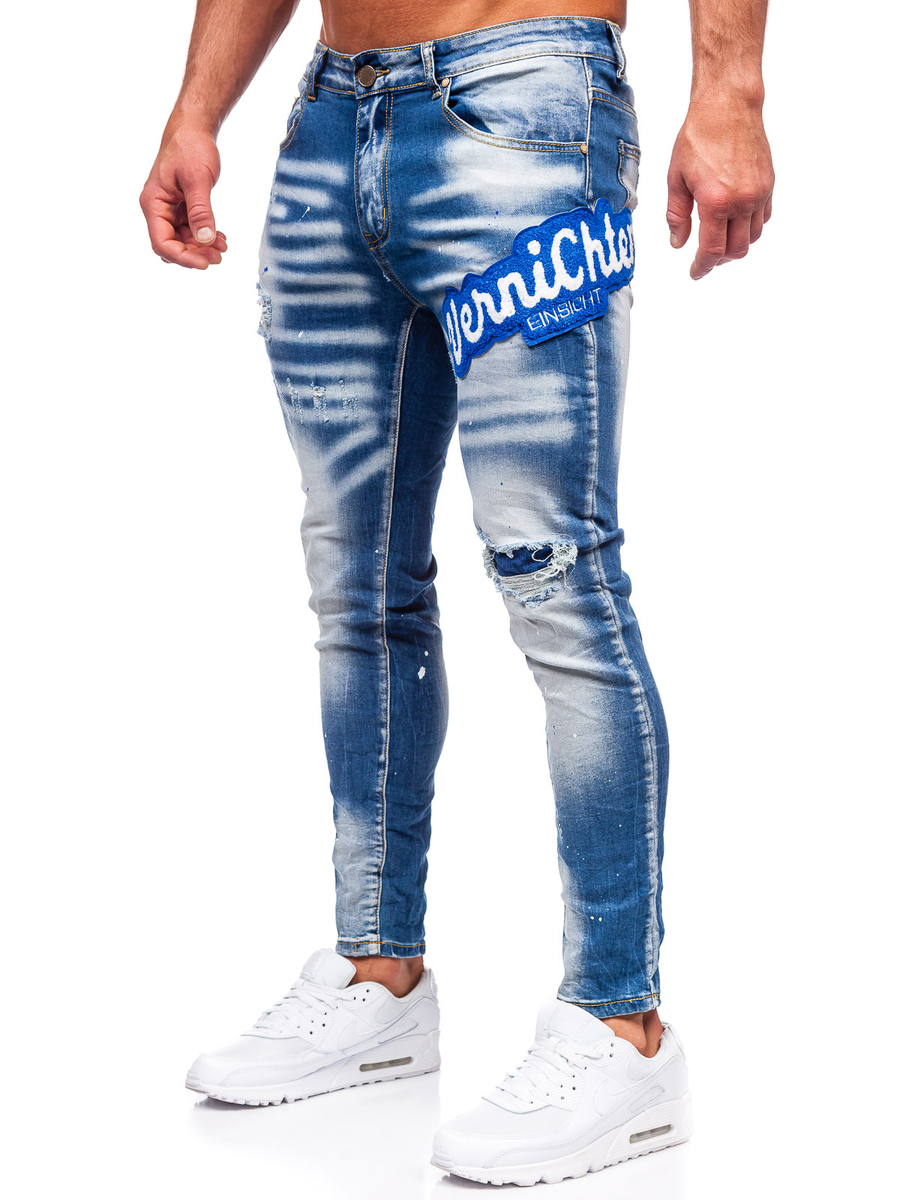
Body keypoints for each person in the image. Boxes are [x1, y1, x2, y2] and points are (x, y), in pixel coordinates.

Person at [141, 0, 773, 1184]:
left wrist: (730, 88)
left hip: (525, 101)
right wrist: (196, 108)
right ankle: (378, 973)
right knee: (355, 581)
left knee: (558, 576)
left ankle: (622, 1025)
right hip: (332, 120)